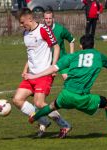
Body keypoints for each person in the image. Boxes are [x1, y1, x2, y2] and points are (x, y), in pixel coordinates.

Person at [26, 34, 107, 138]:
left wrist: (34, 76)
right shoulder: (99, 56)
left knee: (52, 106)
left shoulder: (72, 56)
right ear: (94, 45)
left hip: (66, 95)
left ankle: (35, 117)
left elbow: (53, 68)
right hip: (82, 98)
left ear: (80, 46)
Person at [12, 8, 71, 138]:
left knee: (39, 103)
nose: (21, 25)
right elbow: (30, 54)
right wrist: (25, 68)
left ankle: (64, 124)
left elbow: (56, 47)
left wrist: (53, 67)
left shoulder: (43, 30)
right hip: (31, 75)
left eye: (22, 22)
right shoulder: (25, 34)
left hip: (44, 74)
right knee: (17, 100)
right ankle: (43, 120)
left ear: (30, 19)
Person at [43, 10, 75, 80]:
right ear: (44, 19)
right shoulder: (41, 29)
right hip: (47, 61)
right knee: (45, 82)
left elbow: (71, 40)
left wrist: (71, 56)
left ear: (53, 19)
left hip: (61, 59)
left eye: (50, 18)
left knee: (67, 79)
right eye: (46, 18)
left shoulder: (60, 29)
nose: (48, 20)